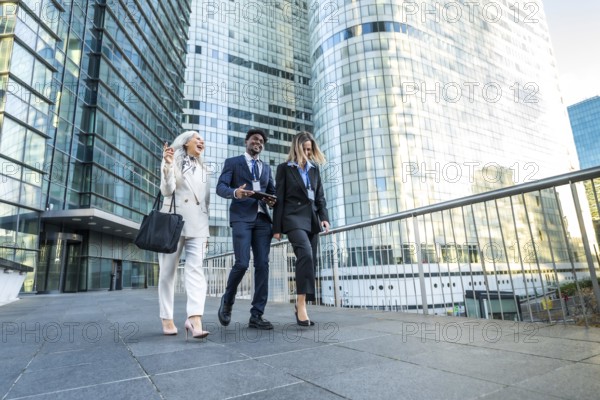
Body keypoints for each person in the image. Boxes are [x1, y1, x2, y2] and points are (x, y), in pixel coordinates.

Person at [216, 128, 277, 330]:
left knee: (263, 266)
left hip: (262, 220)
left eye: (261, 141)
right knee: (242, 263)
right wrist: (236, 192)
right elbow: (220, 187)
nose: (258, 143)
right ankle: (228, 299)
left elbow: (273, 194)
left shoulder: (266, 168)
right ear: (246, 142)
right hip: (242, 218)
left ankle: (257, 315)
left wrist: (272, 201)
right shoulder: (233, 162)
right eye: (254, 139)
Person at [273, 131, 330, 326]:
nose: (307, 153)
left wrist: (324, 218)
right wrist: (277, 227)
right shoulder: (284, 169)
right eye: (305, 149)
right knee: (305, 253)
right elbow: (278, 199)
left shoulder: (314, 169)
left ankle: (302, 303)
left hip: (312, 219)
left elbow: (320, 196)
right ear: (297, 148)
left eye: (310, 149)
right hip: (293, 217)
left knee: (310, 260)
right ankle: (300, 303)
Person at [158, 130, 211, 340]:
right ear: (185, 142)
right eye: (196, 138)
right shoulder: (173, 161)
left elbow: (206, 203)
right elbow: (167, 190)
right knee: (167, 272)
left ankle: (195, 318)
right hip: (174, 221)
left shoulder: (204, 168)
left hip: (198, 225)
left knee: (196, 270)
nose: (201, 140)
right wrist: (168, 165)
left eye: (202, 139)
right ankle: (166, 317)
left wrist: (206, 234)